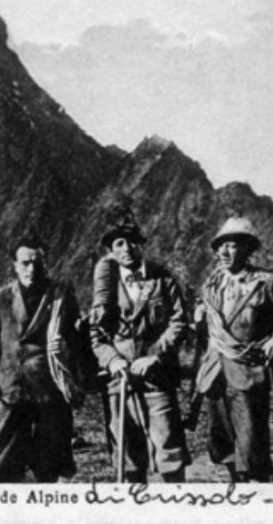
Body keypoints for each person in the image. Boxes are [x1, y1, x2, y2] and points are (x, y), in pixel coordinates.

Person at [193, 217, 273, 482]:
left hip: (249, 372)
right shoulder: (212, 285)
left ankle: (256, 492)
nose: (224, 251)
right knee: (222, 443)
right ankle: (236, 488)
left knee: (252, 446)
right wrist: (199, 322)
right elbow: (209, 332)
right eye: (220, 246)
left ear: (247, 248)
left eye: (231, 245)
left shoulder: (267, 282)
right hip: (215, 372)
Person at [90, 207, 190, 483]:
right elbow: (96, 334)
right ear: (112, 251)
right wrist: (113, 360)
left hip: (157, 376)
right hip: (119, 379)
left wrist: (155, 355)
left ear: (142, 244)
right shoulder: (105, 286)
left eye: (132, 241)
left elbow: (179, 322)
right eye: (119, 243)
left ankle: (176, 501)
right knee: (127, 453)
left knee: (169, 447)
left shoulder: (162, 279)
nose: (127, 248)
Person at [0, 233, 83, 483]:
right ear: (15, 265)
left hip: (50, 392)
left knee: (49, 467)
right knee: (2, 467)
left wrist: (66, 351)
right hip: (10, 392)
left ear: (46, 263)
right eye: (25, 263)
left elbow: (77, 343)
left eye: (37, 263)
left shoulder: (61, 296)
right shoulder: (0, 298)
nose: (31, 269)